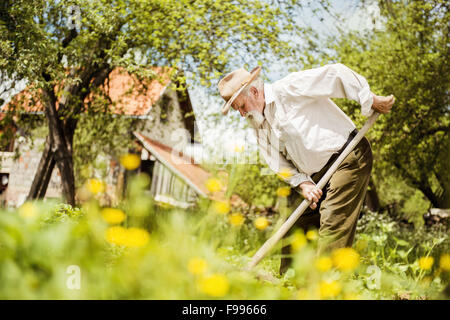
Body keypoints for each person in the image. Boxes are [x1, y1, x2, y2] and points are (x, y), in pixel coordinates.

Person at [217, 64, 395, 274]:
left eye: (241, 106)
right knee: (294, 231)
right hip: (314, 176)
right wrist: (302, 183)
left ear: (254, 92)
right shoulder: (259, 125)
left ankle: (327, 289)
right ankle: (289, 287)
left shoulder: (289, 89)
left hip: (347, 156)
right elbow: (276, 161)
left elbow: (335, 74)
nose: (241, 113)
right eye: (237, 109)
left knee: (332, 224)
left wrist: (369, 99)